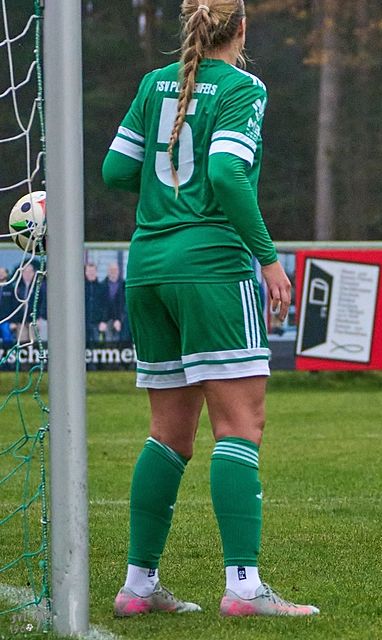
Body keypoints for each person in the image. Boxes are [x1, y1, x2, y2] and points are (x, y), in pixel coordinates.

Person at [102, 0, 316, 617]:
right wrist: (269, 259)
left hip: (147, 269)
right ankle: (244, 587)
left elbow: (117, 170)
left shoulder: (152, 82)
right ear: (241, 28)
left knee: (168, 434)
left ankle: (137, 586)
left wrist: (164, 183)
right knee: (239, 426)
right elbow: (226, 173)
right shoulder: (243, 85)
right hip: (213, 269)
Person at [102, 262, 130, 342]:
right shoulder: (102, 286)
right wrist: (103, 320)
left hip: (121, 322)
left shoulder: (124, 286)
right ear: (108, 271)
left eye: (115, 270)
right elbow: (101, 305)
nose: (113, 272)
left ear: (118, 271)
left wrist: (118, 319)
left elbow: (124, 305)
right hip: (106, 321)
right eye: (111, 270)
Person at [84, 263, 107, 345]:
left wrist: (104, 321)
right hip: (83, 325)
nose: (91, 273)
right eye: (89, 271)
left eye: (93, 271)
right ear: (85, 272)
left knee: (97, 348)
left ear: (96, 272)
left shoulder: (102, 288)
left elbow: (106, 306)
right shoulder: (80, 288)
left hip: (97, 325)